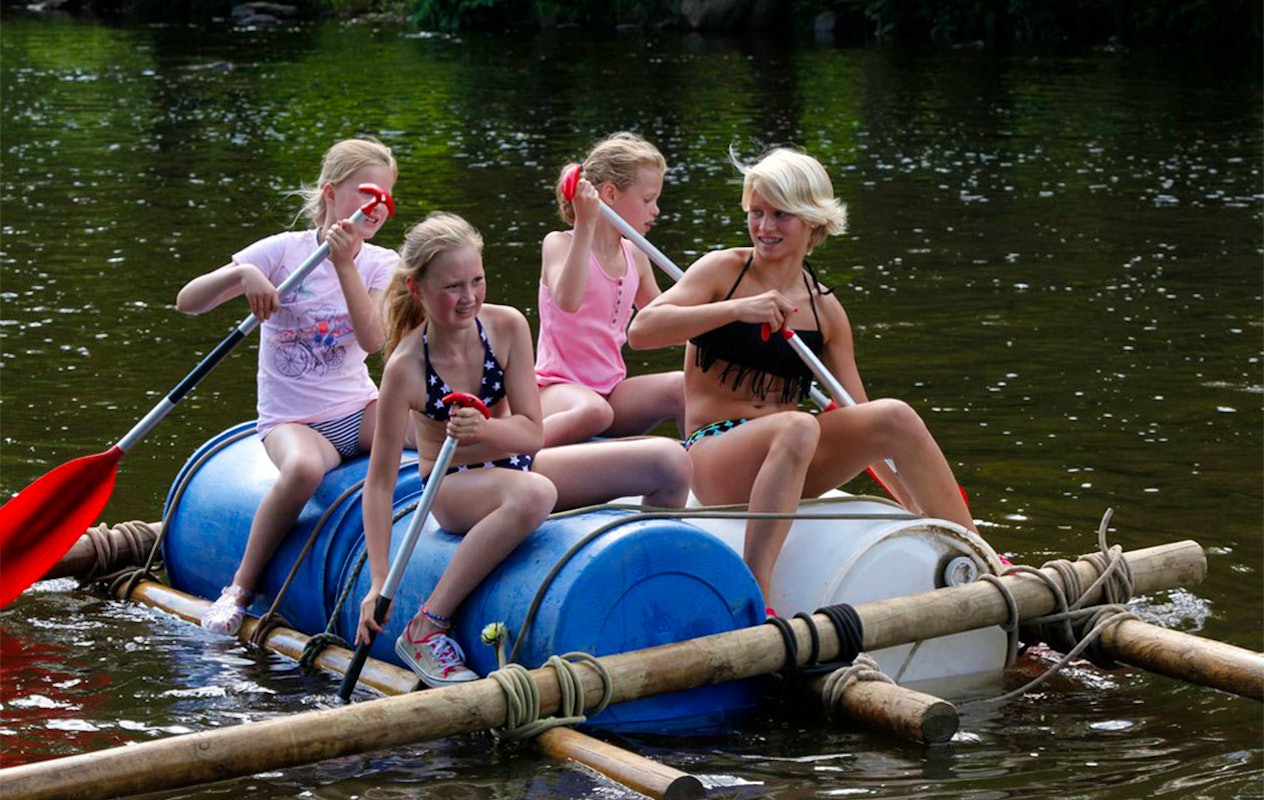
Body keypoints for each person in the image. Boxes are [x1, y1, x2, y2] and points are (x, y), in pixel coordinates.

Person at [626, 146, 976, 603]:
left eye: (780, 215)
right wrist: (737, 309)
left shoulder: (825, 308)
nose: (764, 228)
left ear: (812, 220)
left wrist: (911, 508)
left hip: (792, 456)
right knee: (796, 425)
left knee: (893, 417)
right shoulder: (723, 271)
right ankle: (755, 593)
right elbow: (641, 332)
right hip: (715, 458)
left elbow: (859, 417)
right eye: (757, 213)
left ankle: (981, 555)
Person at [356, 211, 691, 688]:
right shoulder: (406, 368)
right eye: (452, 287)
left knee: (669, 461)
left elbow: (531, 435)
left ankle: (652, 588)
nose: (469, 297)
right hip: (453, 486)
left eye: (477, 280)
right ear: (417, 290)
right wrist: (378, 581)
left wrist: (486, 431)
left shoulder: (507, 327)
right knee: (533, 494)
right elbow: (380, 482)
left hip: (521, 460)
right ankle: (428, 625)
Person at [176, 137, 401, 635]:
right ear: (329, 193)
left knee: (429, 417)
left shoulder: (381, 264)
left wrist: (344, 265)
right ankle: (240, 586)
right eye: (366, 192)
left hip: (359, 408)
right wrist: (246, 273)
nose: (377, 206)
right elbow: (188, 301)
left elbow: (373, 339)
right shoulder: (282, 253)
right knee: (302, 471)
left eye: (386, 196)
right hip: (294, 422)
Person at [535, 132, 684, 446]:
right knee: (594, 412)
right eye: (647, 200)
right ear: (611, 195)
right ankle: (511, 450)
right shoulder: (559, 244)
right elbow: (568, 301)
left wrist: (722, 315)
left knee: (683, 388)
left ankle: (703, 480)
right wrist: (586, 225)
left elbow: (663, 320)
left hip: (612, 393)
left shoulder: (636, 255)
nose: (656, 210)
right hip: (556, 391)